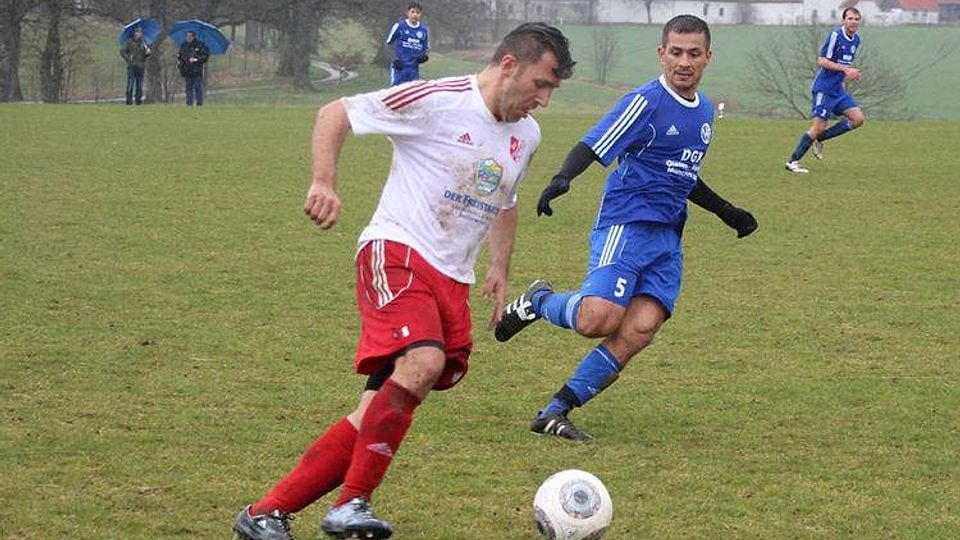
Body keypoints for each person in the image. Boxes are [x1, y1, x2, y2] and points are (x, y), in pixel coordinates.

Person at [232, 22, 575, 540]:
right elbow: (336, 112)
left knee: (375, 409)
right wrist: (323, 182)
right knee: (423, 361)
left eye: (551, 90)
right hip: (397, 252)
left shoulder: (526, 135)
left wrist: (500, 267)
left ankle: (265, 514)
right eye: (541, 84)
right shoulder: (438, 99)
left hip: (452, 280)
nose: (544, 100)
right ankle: (351, 504)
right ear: (510, 65)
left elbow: (505, 202)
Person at [494, 15, 758, 442]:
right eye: (676, 52)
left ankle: (556, 410)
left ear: (708, 57)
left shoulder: (705, 110)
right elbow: (593, 143)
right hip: (627, 224)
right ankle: (539, 301)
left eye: (694, 53)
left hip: (668, 239)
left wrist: (727, 211)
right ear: (662, 54)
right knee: (598, 318)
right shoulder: (645, 102)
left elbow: (683, 173)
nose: (684, 62)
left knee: (639, 330)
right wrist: (563, 178)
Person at [785, 7, 866, 173]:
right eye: (850, 18)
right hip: (824, 89)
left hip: (838, 91)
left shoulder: (856, 40)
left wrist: (844, 76)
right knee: (817, 127)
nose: (853, 22)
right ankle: (793, 162)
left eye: (856, 19)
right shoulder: (836, 35)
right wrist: (845, 70)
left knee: (858, 119)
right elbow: (822, 60)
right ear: (843, 20)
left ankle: (820, 138)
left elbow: (844, 63)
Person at [385, 2, 429, 86]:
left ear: (421, 15)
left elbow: (425, 48)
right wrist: (394, 59)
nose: (415, 15)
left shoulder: (423, 30)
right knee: (396, 93)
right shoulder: (399, 26)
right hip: (400, 67)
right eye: (413, 12)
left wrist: (424, 57)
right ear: (408, 13)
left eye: (418, 12)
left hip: (413, 69)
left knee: (412, 94)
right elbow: (388, 44)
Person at [177, 30, 209, 107]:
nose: (188, 38)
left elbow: (205, 57)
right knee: (188, 87)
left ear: (193, 37)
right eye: (187, 36)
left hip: (197, 70)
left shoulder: (201, 45)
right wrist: (182, 60)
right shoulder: (184, 45)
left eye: (190, 36)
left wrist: (196, 59)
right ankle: (189, 103)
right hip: (187, 69)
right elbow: (181, 56)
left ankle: (199, 103)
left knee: (198, 87)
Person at [119, 26, 150, 105]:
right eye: (138, 32)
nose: (139, 34)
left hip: (141, 66)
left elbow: (144, 55)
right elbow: (122, 51)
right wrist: (129, 59)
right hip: (132, 66)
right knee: (130, 84)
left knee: (139, 86)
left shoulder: (143, 43)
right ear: (134, 33)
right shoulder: (129, 41)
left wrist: (147, 53)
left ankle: (138, 101)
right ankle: (129, 101)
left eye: (141, 32)